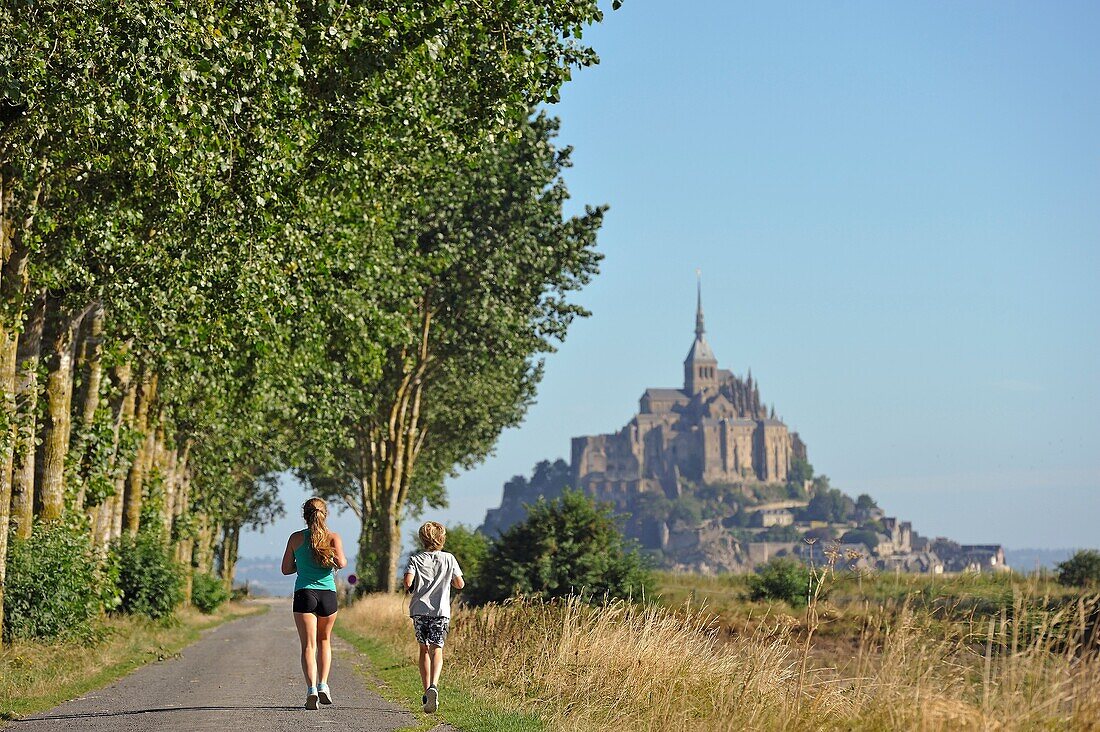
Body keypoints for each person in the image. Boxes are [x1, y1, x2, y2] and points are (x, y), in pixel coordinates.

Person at [281, 497, 348, 710]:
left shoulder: (295, 538)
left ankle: (311, 690)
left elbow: (285, 569)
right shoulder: (333, 537)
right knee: (324, 641)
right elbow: (342, 563)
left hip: (304, 593)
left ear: (305, 515)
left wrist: (301, 565)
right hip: (327, 594)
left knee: (308, 645)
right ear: (325, 514)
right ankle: (323, 685)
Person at [403, 521, 464, 714]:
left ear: (422, 539)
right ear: (442, 539)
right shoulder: (449, 559)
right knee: (437, 649)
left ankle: (425, 690)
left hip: (420, 610)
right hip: (441, 611)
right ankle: (434, 686)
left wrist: (411, 587)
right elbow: (459, 584)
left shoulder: (415, 559)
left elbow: (408, 582)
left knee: (423, 649)